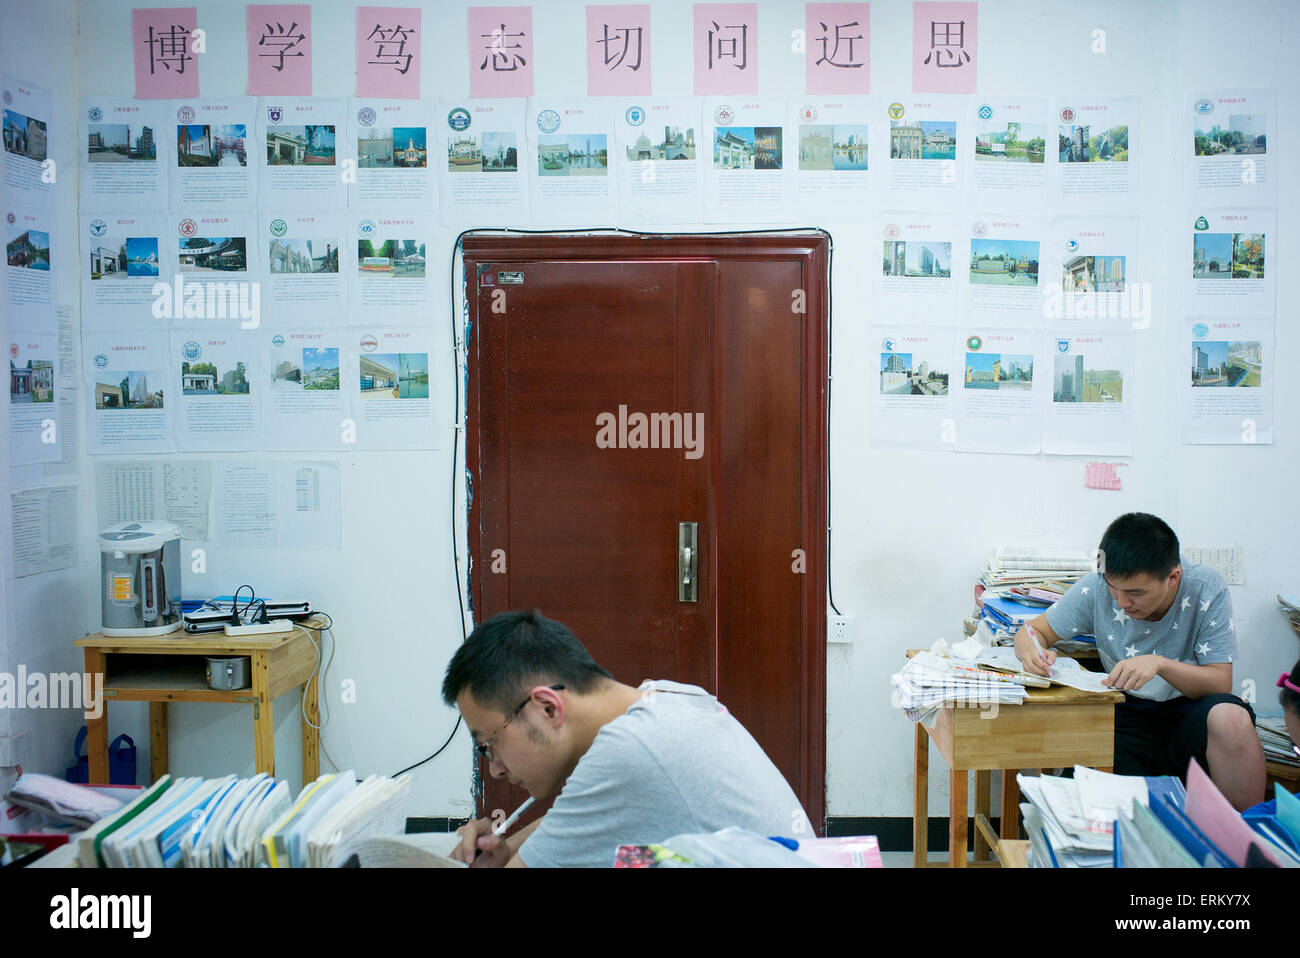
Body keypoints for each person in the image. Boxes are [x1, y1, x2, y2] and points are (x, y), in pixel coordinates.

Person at [441, 609, 812, 867]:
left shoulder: (630, 752)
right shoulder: (667, 698)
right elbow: (585, 815)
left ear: (548, 708)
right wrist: (509, 849)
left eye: (489, 744)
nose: (495, 770)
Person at [1013, 512, 1265, 810]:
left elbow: (1220, 681)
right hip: (1125, 718)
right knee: (1078, 801)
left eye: (1135, 592)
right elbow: (1031, 631)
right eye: (1113, 589)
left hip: (1188, 715)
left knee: (1232, 720)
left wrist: (1160, 664)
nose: (1121, 602)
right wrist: (1033, 650)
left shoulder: (1205, 588)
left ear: (1173, 577)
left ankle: (1245, 843)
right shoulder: (1095, 587)